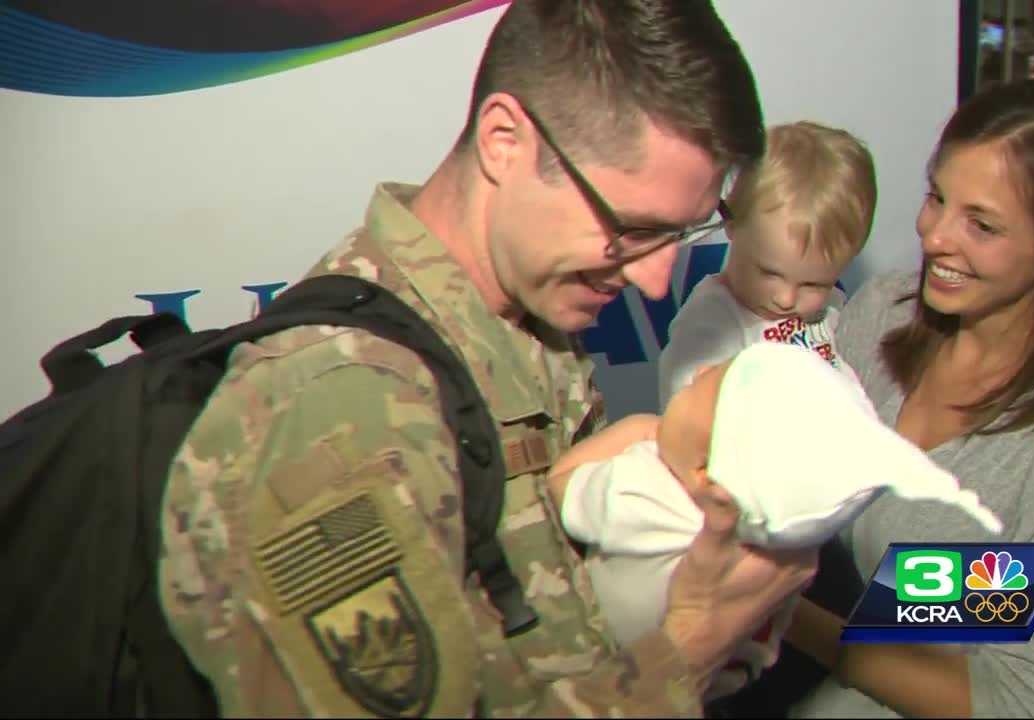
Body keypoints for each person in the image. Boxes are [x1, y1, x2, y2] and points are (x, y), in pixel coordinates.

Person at [155, 1, 820, 716]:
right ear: (505, 141)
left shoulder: (530, 316)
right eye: (633, 230)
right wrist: (692, 646)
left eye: (680, 235)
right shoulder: (338, 406)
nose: (656, 280)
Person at [787, 78, 1034, 718]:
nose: (935, 237)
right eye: (937, 197)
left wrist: (775, 612)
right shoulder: (881, 313)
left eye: (980, 224)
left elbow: (1001, 697)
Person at [548, 342, 1003, 702]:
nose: (699, 372)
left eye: (703, 384)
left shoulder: (648, 489)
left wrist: (643, 430)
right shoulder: (870, 320)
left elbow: (560, 484)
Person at [658, 121, 877, 410]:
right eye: (769, 273)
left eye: (813, 284)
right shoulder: (712, 324)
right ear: (731, 223)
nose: (786, 299)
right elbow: (684, 416)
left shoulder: (829, 311)